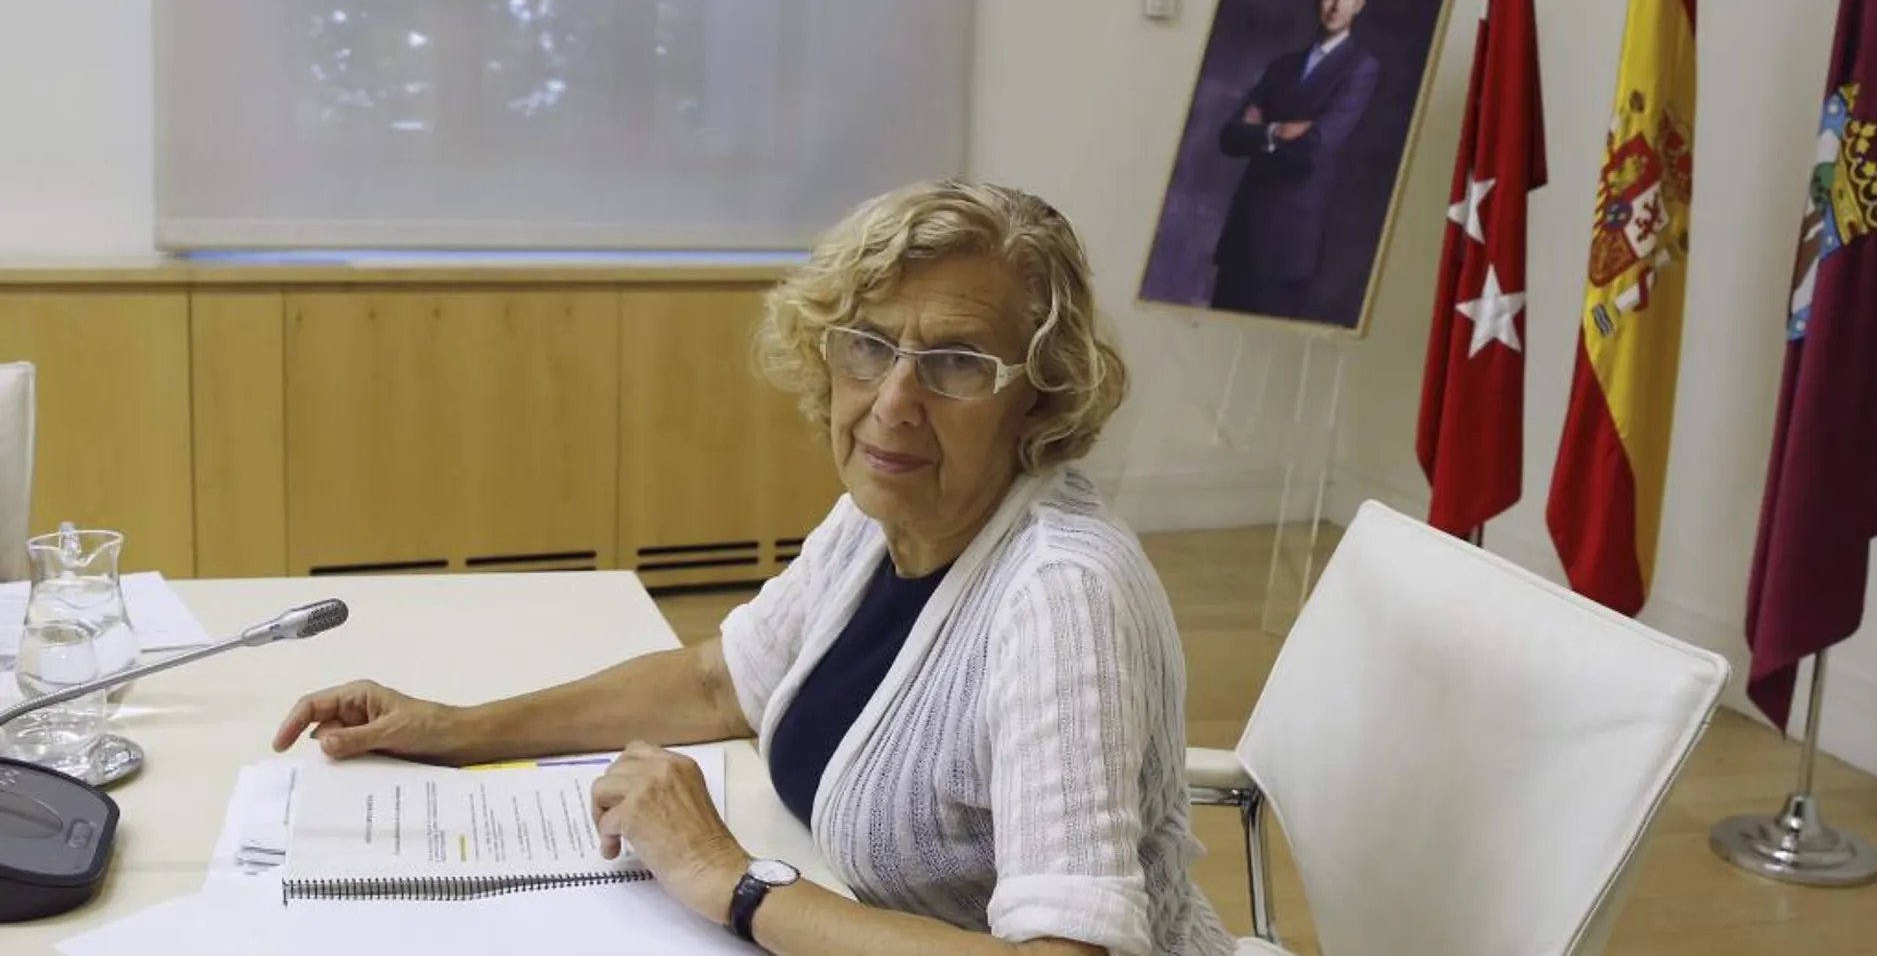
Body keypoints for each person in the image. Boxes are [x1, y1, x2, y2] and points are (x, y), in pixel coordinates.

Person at [272, 180, 1236, 956]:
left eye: (955, 362)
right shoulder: (882, 514)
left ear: (1040, 396)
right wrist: (456, 727)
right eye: (869, 346)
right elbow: (719, 679)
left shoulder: (1062, 594)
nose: (894, 401)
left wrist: (729, 877)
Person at [1210, 0, 1381, 316]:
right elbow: (1229, 136)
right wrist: (1277, 130)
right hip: (1246, 227)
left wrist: (1260, 130)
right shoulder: (1282, 66)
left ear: (1360, 4)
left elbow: (1316, 146)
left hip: (1292, 234)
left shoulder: (1360, 68)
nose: (1336, 5)